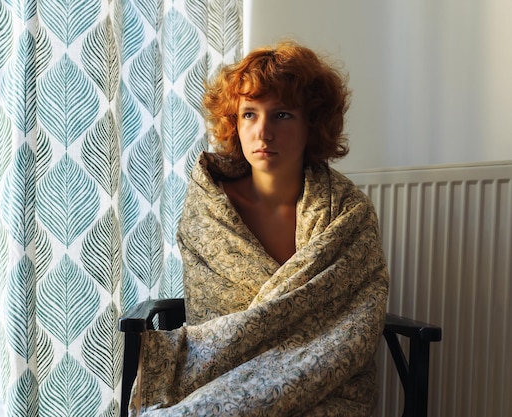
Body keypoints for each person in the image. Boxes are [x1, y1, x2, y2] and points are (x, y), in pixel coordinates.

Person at [130, 40, 389, 417]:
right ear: (234, 121)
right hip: (219, 380)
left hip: (327, 388)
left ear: (312, 123)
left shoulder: (347, 213)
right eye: (249, 114)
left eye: (282, 115)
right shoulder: (210, 208)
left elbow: (357, 325)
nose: (263, 132)